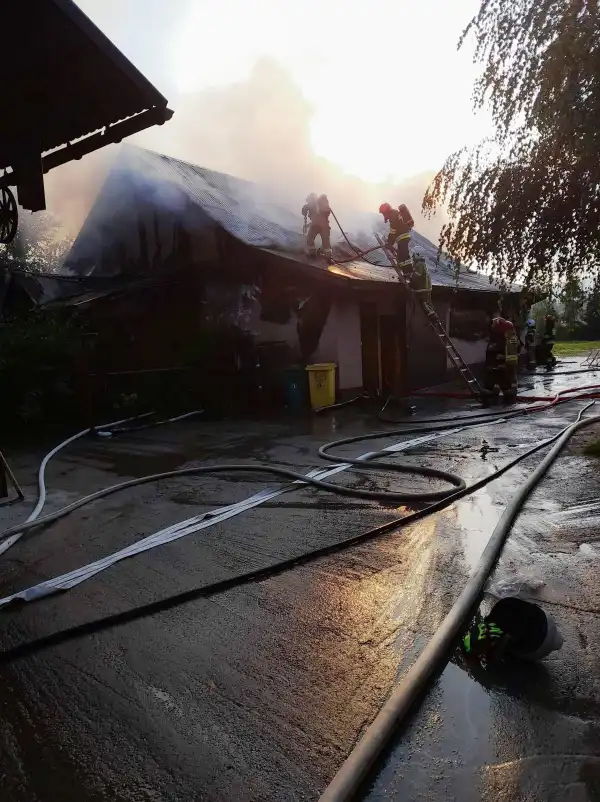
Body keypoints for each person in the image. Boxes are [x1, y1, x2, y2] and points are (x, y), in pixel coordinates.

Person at [484, 317, 519, 402]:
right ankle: (500, 391)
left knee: (499, 383)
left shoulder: (501, 341)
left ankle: (493, 391)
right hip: (499, 369)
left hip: (499, 369)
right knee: (503, 384)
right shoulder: (502, 340)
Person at [302, 193, 332, 261]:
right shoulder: (318, 206)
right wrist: (307, 225)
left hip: (319, 227)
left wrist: (305, 209)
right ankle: (326, 257)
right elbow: (317, 219)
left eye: (309, 200)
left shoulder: (312, 205)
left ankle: (316, 255)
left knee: (312, 241)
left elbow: (317, 219)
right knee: (324, 243)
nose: (308, 202)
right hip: (322, 227)